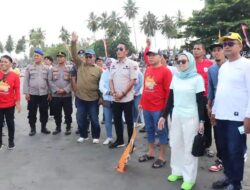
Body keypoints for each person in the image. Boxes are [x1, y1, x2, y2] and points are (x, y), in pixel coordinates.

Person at [158, 51, 205, 190]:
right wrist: (163, 115)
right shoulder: (176, 77)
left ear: (190, 62)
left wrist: (202, 121)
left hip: (191, 117)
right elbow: (170, 99)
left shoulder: (197, 78)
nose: (181, 64)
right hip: (177, 116)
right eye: (178, 61)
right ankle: (177, 171)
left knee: (189, 147)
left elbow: (201, 102)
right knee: (176, 144)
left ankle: (189, 178)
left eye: (183, 61)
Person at [211, 32, 250, 190]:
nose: (225, 47)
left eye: (230, 44)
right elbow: (220, 91)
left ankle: (236, 183)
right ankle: (228, 176)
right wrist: (214, 111)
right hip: (221, 116)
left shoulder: (247, 65)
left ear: (240, 46)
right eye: (224, 44)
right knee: (224, 150)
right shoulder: (224, 67)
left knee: (236, 151)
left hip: (238, 119)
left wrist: (248, 117)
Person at [138, 48, 172, 168]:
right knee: (149, 130)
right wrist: (141, 102)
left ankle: (162, 157)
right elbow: (145, 87)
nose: (150, 57)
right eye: (149, 55)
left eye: (153, 55)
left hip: (158, 108)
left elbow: (169, 93)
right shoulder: (148, 69)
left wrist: (165, 111)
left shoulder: (166, 71)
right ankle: (151, 152)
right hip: (146, 107)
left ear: (160, 57)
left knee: (161, 132)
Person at [71, 32, 102, 144]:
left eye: (90, 56)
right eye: (87, 56)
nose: (88, 58)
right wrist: (74, 42)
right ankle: (83, 135)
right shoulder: (80, 65)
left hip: (93, 98)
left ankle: (95, 136)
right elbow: (74, 54)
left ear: (94, 57)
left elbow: (101, 86)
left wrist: (101, 98)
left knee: (94, 119)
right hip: (80, 98)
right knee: (80, 118)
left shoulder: (99, 70)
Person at [109, 43, 138, 148]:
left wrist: (123, 93)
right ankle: (120, 140)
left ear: (126, 51)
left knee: (129, 121)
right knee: (117, 120)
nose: (118, 51)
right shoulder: (113, 64)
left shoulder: (132, 64)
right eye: (117, 49)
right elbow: (110, 80)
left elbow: (133, 80)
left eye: (121, 49)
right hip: (116, 98)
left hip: (127, 98)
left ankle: (131, 143)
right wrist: (113, 92)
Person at [23, 48, 51, 136]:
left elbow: (49, 81)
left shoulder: (47, 68)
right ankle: (32, 129)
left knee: (44, 111)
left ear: (42, 57)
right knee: (32, 112)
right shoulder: (29, 67)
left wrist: (50, 93)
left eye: (37, 56)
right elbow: (26, 81)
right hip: (32, 94)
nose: (35, 57)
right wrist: (26, 92)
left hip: (44, 94)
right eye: (34, 56)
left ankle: (43, 127)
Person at [207, 42, 226, 172]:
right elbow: (211, 89)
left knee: (235, 134)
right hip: (216, 107)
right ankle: (221, 159)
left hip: (233, 108)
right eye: (214, 50)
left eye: (219, 49)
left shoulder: (231, 67)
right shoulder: (212, 69)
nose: (216, 52)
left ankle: (237, 157)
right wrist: (209, 106)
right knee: (218, 134)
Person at [193, 43, 214, 157]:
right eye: (194, 49)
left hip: (206, 99)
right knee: (195, 122)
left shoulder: (210, 64)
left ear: (204, 52)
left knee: (206, 123)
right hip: (193, 99)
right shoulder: (190, 65)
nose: (196, 51)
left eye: (198, 49)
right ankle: (196, 143)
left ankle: (207, 146)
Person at [48, 52, 73, 135]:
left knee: (68, 112)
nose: (59, 58)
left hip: (67, 95)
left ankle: (68, 127)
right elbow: (50, 80)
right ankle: (58, 127)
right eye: (58, 57)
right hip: (56, 95)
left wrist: (65, 89)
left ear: (65, 58)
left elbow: (72, 81)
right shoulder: (52, 69)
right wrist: (56, 89)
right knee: (57, 112)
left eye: (61, 57)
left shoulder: (70, 68)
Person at [0, 55, 21, 150]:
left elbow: (17, 90)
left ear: (10, 64)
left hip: (9, 104)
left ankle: (11, 142)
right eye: (1, 61)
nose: (3, 63)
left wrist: (18, 103)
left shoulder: (15, 76)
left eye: (5, 62)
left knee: (10, 123)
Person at [99, 58, 116, 145]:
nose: (109, 65)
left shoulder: (117, 73)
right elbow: (101, 86)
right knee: (108, 120)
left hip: (117, 100)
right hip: (107, 99)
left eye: (110, 63)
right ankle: (109, 137)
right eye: (107, 64)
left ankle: (119, 137)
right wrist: (108, 92)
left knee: (118, 119)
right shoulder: (104, 74)